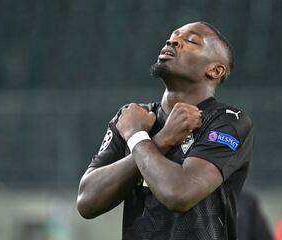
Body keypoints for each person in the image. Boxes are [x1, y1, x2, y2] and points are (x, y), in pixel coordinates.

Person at [77, 21, 254, 240]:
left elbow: (179, 194)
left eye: (191, 41)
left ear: (215, 70)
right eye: (173, 36)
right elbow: (87, 201)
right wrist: (157, 140)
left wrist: (136, 137)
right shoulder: (132, 117)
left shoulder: (227, 121)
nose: (173, 41)